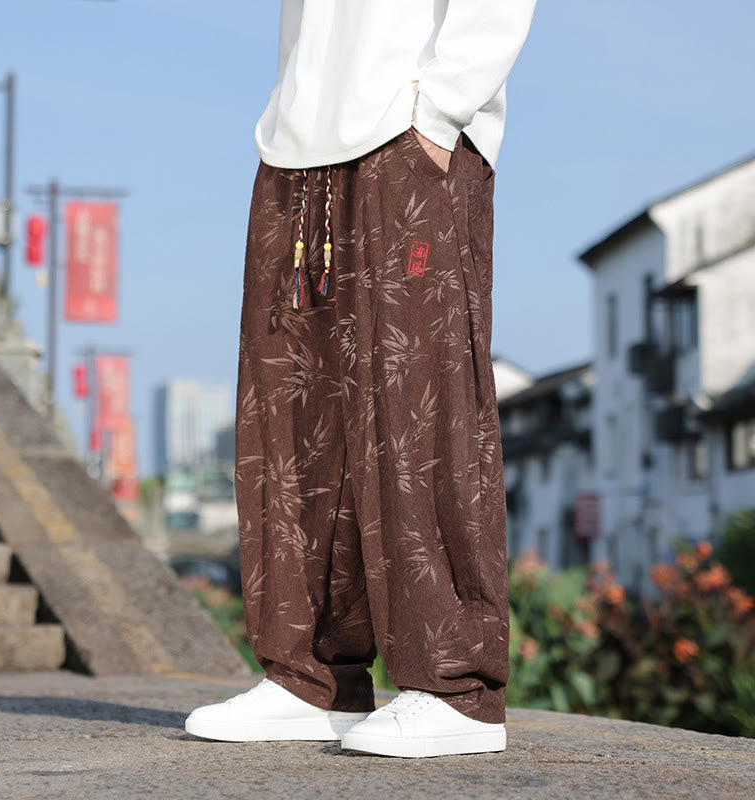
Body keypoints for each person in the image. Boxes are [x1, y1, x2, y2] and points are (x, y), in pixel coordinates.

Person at [186, 0, 537, 758]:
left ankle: (457, 688)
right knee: (292, 414)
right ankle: (314, 678)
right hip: (297, 140)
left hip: (411, 132)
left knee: (420, 403)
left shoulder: (427, 125)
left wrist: (440, 114)